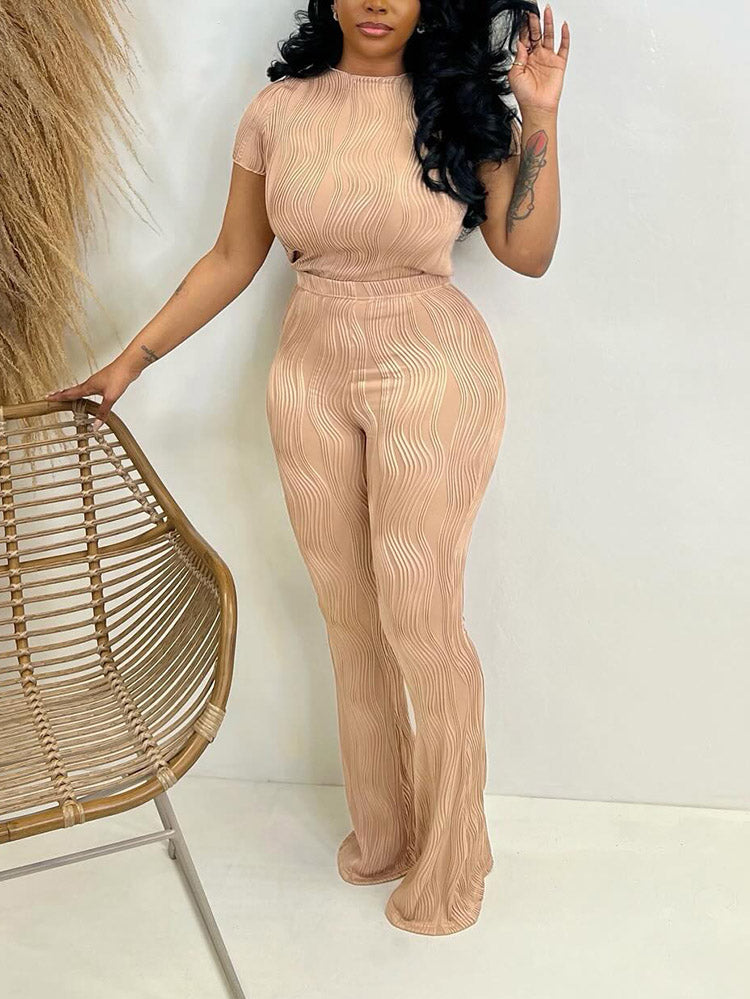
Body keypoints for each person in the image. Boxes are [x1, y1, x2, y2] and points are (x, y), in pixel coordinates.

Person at [47, 0, 569, 935]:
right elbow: (233, 256)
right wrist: (129, 363)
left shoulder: (459, 104)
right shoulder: (277, 110)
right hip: (309, 367)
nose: (377, 1)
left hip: (430, 364)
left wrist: (540, 117)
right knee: (349, 616)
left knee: (420, 619)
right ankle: (387, 830)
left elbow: (525, 254)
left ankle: (456, 855)